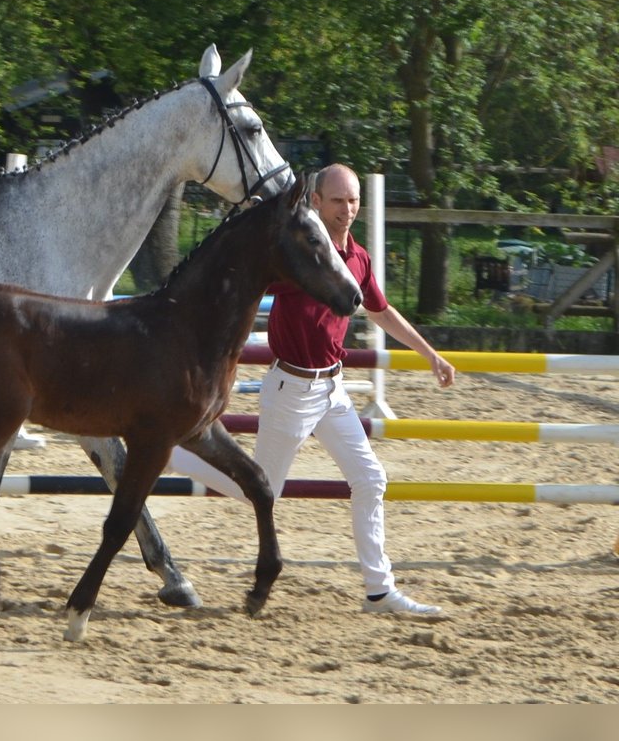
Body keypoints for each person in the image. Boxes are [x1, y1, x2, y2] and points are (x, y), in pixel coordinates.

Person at [169, 163, 455, 615]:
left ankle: (379, 591)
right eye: (339, 200)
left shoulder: (357, 258)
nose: (348, 210)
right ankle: (166, 452)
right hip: (290, 390)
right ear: (316, 202)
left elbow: (381, 311)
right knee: (256, 490)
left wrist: (430, 354)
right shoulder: (298, 253)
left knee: (370, 479)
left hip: (333, 391)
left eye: (354, 200)